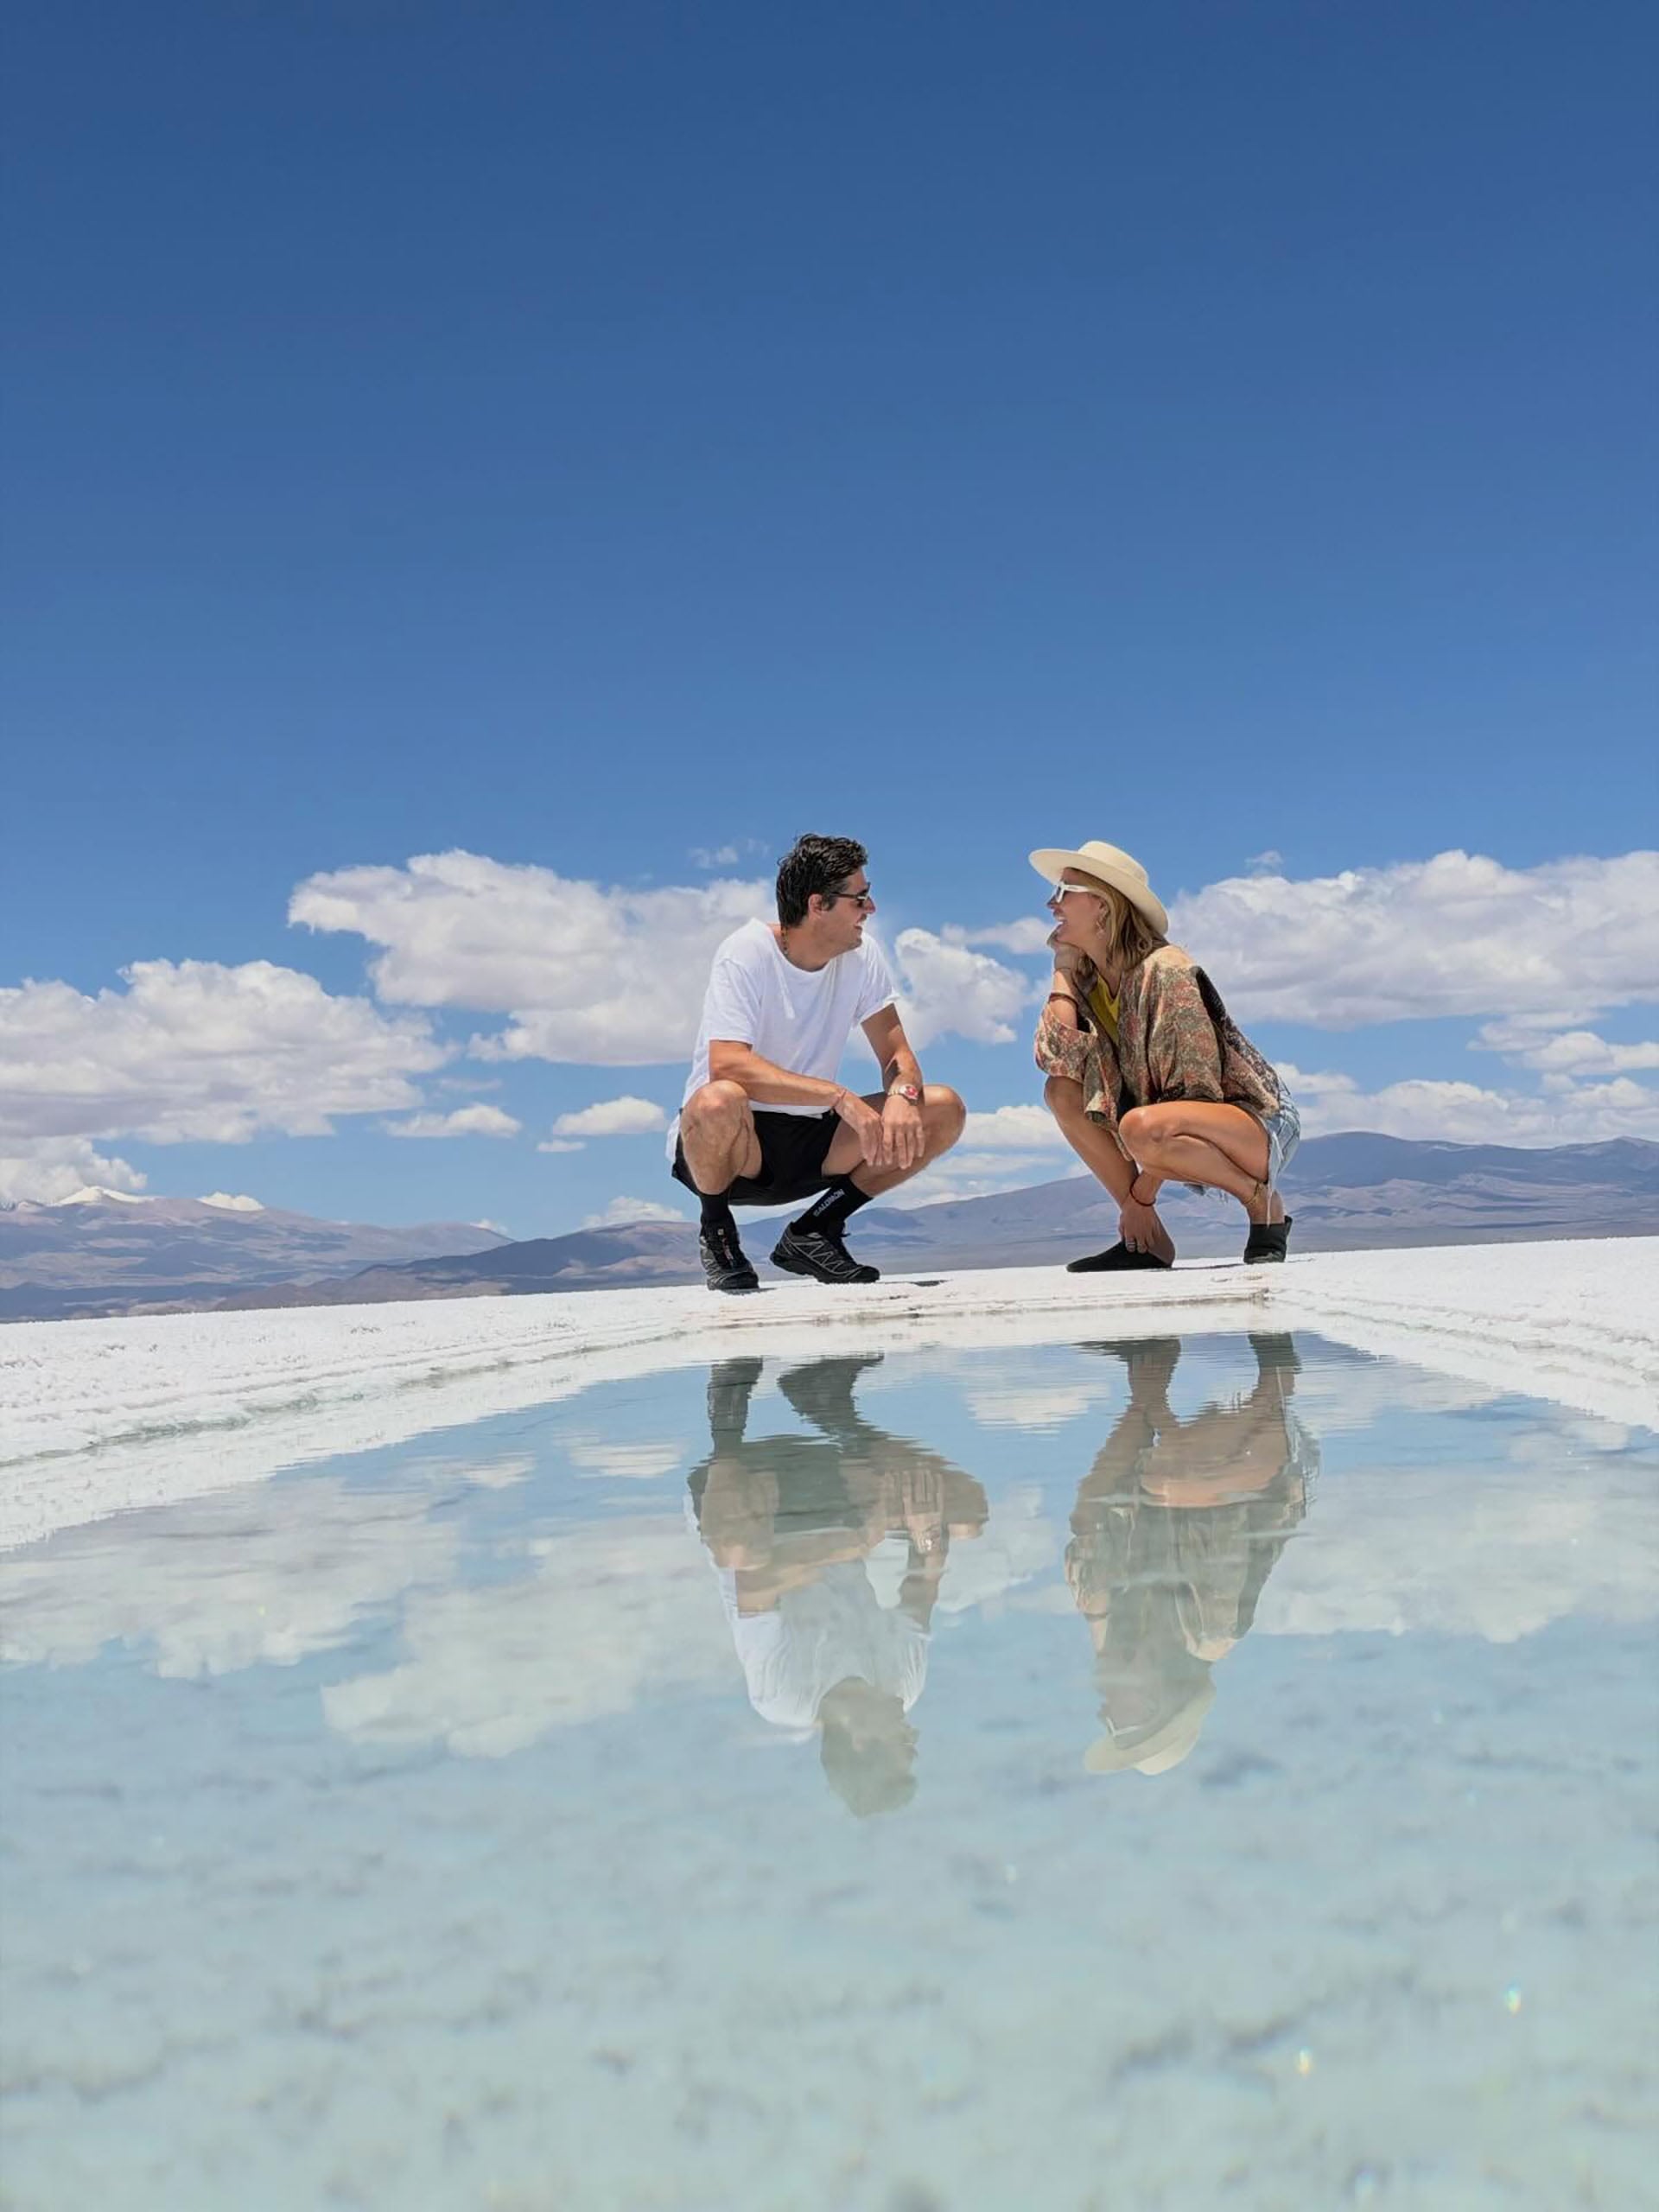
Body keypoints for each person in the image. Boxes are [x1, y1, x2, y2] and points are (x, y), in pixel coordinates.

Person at [686, 1355, 988, 1816]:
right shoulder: (903, 1686)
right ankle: (829, 1407)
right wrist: (925, 1531)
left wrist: (855, 1541)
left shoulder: (784, 1698)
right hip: (836, 1498)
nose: (914, 1734)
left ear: (863, 1742)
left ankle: (728, 1412)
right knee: (965, 1518)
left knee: (740, 1552)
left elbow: (755, 1585)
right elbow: (924, 1578)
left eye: (904, 1746)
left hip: (747, 1509)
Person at [671, 833, 966, 1292]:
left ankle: (814, 1232)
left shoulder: (862, 956)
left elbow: (896, 1054)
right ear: (818, 905)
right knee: (716, 1099)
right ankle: (717, 1233)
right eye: (860, 898)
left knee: (942, 1107)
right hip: (733, 1147)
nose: (871, 909)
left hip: (812, 1143)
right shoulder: (746, 951)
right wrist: (837, 1095)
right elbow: (728, 1065)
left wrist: (904, 1094)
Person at [1029, 839, 1300, 1270]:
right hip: (1164, 1121)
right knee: (1061, 1092)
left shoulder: (1167, 971)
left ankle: (1260, 1203)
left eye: (1064, 892)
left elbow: (1198, 1092)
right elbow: (1056, 1059)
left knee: (1141, 1126)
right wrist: (1062, 970)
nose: (1050, 903)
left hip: (1252, 1122)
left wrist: (1141, 1196)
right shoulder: (1086, 977)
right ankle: (1148, 1242)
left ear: (1102, 905)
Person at [1065, 1333, 1315, 1777]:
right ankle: (1276, 1383)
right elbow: (1218, 1511)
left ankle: (1146, 1386)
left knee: (1090, 1526)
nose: (1104, 1710)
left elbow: (1093, 1531)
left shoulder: (1131, 1633)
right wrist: (1162, 1422)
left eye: (1105, 1721)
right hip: (1269, 1466)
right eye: (1120, 1718)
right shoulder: (1211, 1631)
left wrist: (1098, 1623)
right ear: (1162, 1702)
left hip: (1194, 1475)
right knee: (1171, 1482)